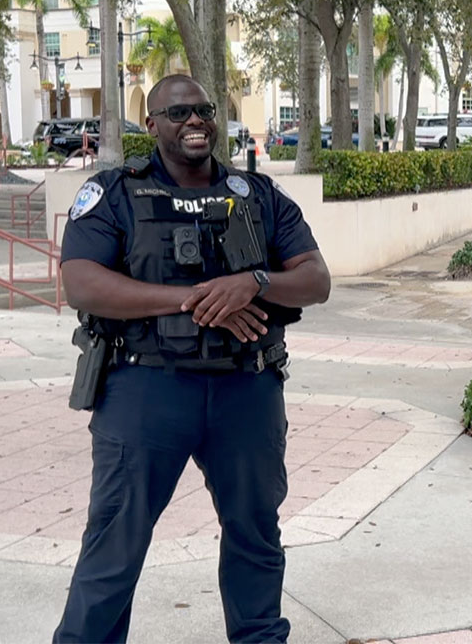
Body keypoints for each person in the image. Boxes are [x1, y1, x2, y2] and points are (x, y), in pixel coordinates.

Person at [53, 74, 330, 643]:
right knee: (115, 541)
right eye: (178, 113)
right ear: (152, 124)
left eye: (204, 109)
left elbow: (315, 280)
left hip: (246, 389)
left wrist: (252, 283)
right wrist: (198, 300)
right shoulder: (115, 193)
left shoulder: (258, 195)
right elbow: (80, 282)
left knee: (256, 534)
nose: (195, 121)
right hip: (145, 389)